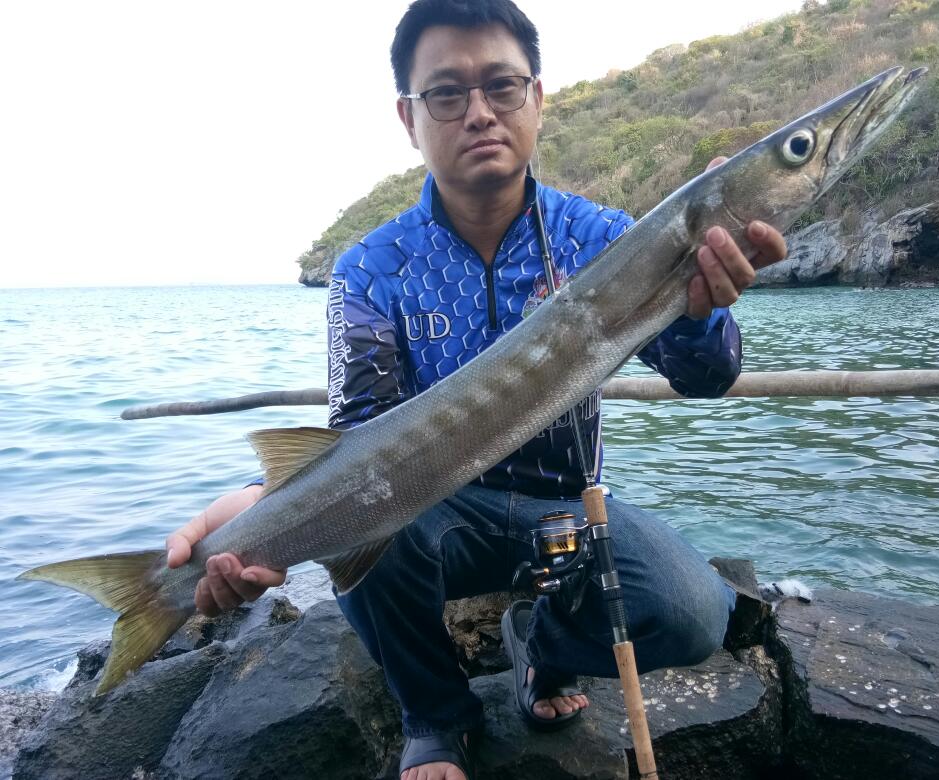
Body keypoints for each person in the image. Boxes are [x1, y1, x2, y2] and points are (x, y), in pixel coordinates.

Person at [166, 2, 788, 778]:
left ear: (537, 97)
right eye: (447, 93)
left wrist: (704, 310)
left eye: (501, 85)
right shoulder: (370, 268)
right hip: (430, 515)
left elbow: (708, 378)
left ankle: (545, 647)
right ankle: (435, 712)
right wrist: (261, 508)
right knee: (366, 533)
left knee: (696, 613)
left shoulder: (605, 240)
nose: (480, 113)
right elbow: (361, 434)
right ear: (408, 115)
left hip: (568, 509)